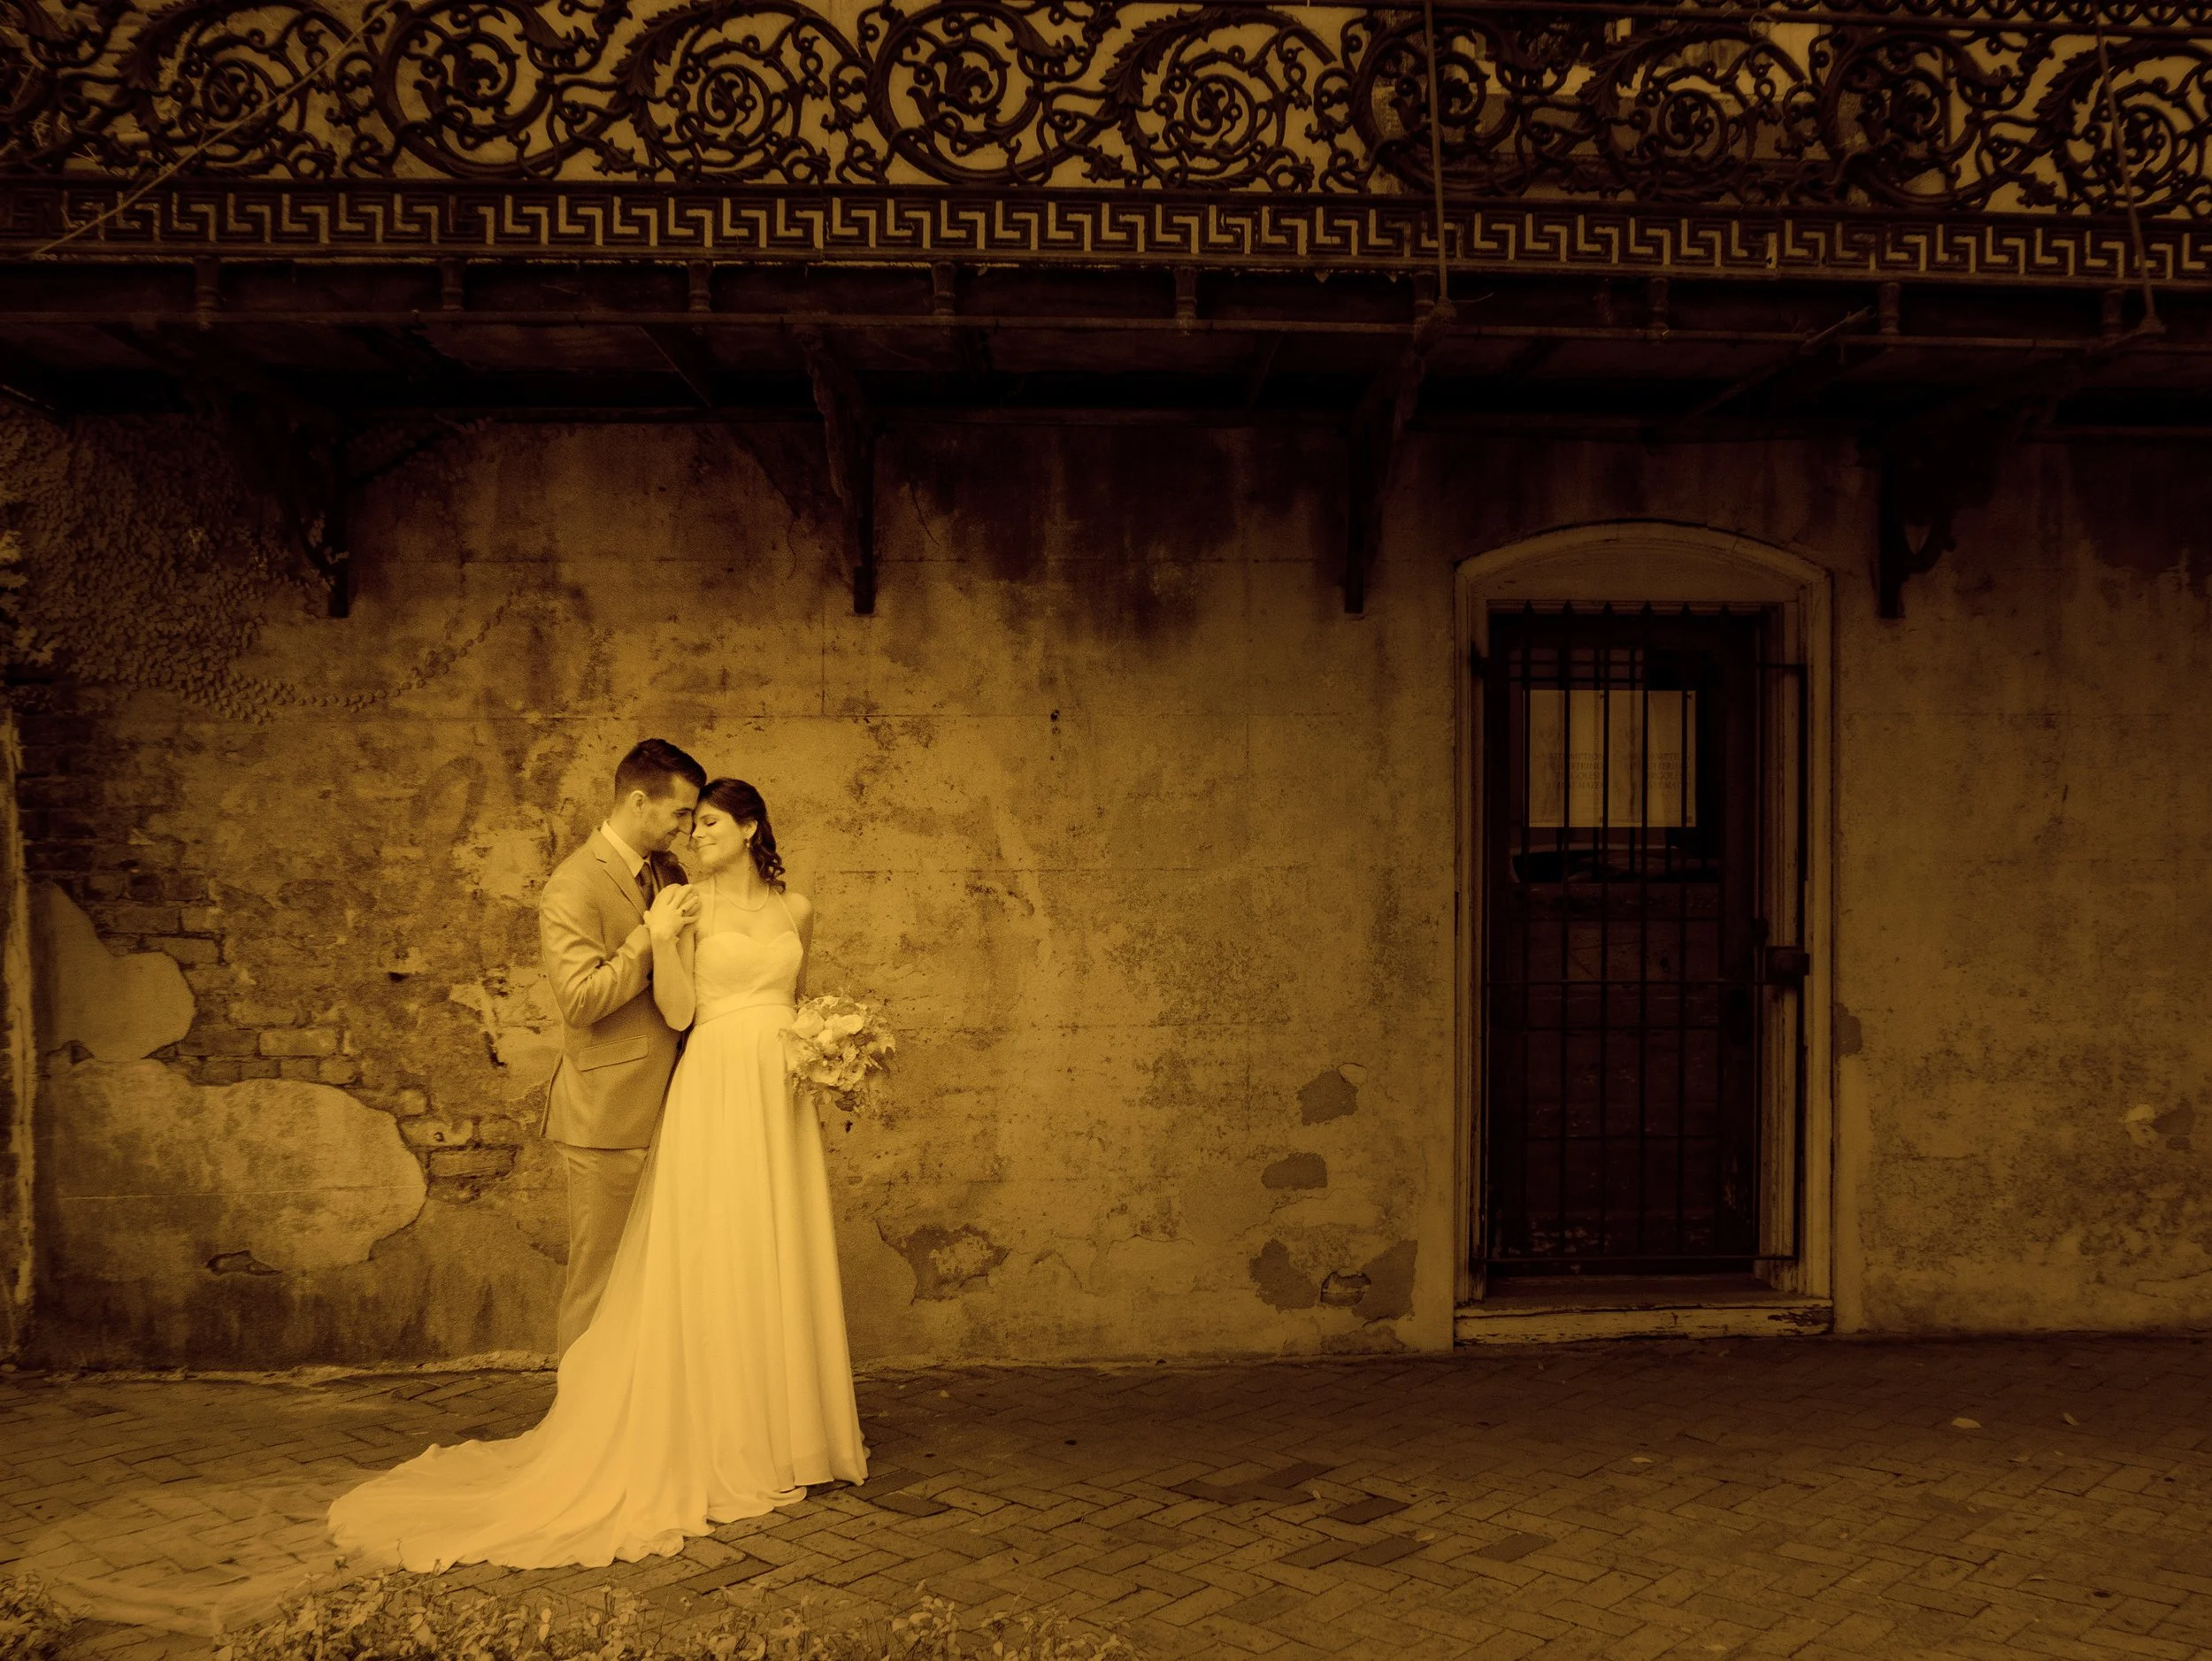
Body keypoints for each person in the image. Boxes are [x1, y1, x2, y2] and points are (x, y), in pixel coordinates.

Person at [327, 777, 868, 1571]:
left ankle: (794, 1432)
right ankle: (715, 1429)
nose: (693, 836)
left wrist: (825, 1044)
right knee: (711, 1252)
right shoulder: (684, 905)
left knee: (775, 1244)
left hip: (778, 1095)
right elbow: (680, 1012)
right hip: (716, 1081)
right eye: (688, 821)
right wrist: (661, 935)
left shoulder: (800, 910)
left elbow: (798, 994)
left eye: (708, 822)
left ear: (750, 827)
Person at [538, 738, 705, 1357]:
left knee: (657, 1280)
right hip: (607, 1115)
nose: (687, 828)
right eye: (680, 813)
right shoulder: (572, 884)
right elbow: (579, 999)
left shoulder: (669, 872)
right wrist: (646, 938)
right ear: (639, 801)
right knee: (598, 1278)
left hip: (675, 1106)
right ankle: (575, 1424)